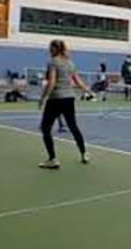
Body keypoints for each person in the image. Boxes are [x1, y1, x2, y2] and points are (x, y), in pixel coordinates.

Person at [38, 39, 92, 169]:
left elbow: (51, 82)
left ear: (55, 49)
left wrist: (43, 98)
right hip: (69, 98)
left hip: (56, 99)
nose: (49, 50)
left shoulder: (53, 62)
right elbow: (78, 80)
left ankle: (52, 159)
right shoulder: (70, 63)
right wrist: (88, 90)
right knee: (73, 126)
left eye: (50, 48)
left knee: (45, 128)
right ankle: (84, 153)